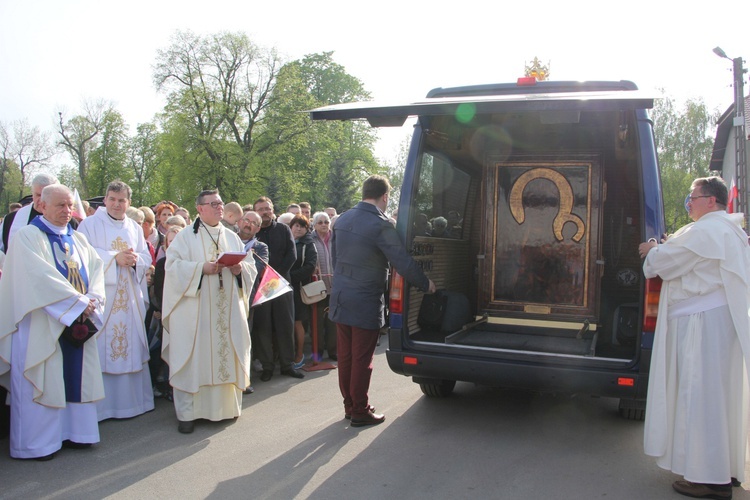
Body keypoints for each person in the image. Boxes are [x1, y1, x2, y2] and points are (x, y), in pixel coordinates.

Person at [638, 176, 750, 499]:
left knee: (700, 399)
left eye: (693, 196)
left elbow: (665, 263)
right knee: (718, 399)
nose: (689, 201)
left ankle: (710, 480)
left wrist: (653, 249)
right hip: (718, 325)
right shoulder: (730, 231)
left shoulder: (708, 231)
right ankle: (722, 469)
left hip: (703, 327)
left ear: (710, 201)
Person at [0, 184, 106, 460]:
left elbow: (96, 270)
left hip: (76, 319)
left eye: (69, 205)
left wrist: (93, 298)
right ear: (41, 206)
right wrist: (79, 303)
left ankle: (78, 434)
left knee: (76, 376)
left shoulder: (78, 239)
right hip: (41, 323)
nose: (66, 210)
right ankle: (38, 444)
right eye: (60, 205)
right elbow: (38, 278)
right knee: (44, 376)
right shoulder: (27, 237)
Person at [330, 175, 435, 427]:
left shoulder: (342, 219)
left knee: (345, 357)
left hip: (341, 296)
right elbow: (402, 261)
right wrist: (426, 283)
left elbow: (335, 259)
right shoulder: (381, 224)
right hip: (365, 298)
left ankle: (349, 405)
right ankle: (360, 410)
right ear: (385, 197)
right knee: (362, 359)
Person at [162, 189, 257, 433]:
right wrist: (200, 268)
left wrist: (240, 271)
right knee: (195, 357)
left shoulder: (231, 236)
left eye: (220, 203)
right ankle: (188, 414)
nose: (219, 207)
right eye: (213, 204)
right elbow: (171, 268)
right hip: (196, 311)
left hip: (226, 310)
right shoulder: (185, 237)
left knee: (224, 353)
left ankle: (225, 409)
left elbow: (249, 266)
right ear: (200, 208)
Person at [77, 181, 154, 421]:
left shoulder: (133, 226)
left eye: (122, 200)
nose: (117, 204)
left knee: (129, 343)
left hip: (129, 296)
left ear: (128, 203)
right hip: (105, 299)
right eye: (112, 199)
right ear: (106, 200)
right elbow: (82, 256)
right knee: (103, 347)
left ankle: (132, 404)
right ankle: (102, 408)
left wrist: (134, 260)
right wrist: (114, 258)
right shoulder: (89, 224)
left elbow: (144, 255)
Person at [253, 197, 304, 381]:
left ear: (272, 210)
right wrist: (264, 279)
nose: (264, 212)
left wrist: (274, 278)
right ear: (255, 211)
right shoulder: (253, 232)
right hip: (260, 288)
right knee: (263, 327)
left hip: (281, 284)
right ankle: (267, 366)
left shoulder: (283, 229)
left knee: (285, 324)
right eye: (260, 209)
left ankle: (287, 365)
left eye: (267, 208)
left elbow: (292, 254)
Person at [237, 210, 268, 393]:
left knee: (244, 338)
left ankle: (244, 379)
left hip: (248, 297)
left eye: (253, 223)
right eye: (246, 220)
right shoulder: (227, 240)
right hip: (226, 296)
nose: (248, 224)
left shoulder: (261, 247)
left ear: (257, 228)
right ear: (240, 222)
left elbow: (259, 266)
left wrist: (237, 265)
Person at [1, 173, 61, 252]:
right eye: (38, 195)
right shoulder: (11, 219)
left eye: (47, 195)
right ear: (32, 194)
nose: (41, 200)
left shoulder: (66, 220)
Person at [289, 215, 317, 368]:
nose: (298, 228)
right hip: (282, 287)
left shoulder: (309, 244)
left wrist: (290, 277)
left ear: (307, 229)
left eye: (302, 226)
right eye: (296, 225)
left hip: (298, 288)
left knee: (297, 322)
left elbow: (310, 266)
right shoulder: (286, 242)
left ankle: (299, 355)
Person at [311, 211, 337, 361]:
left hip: (334, 286)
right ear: (314, 225)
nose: (324, 225)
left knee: (333, 321)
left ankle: (333, 351)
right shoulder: (310, 239)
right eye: (320, 222)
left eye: (326, 222)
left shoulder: (335, 238)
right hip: (318, 286)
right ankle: (318, 352)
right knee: (317, 322)